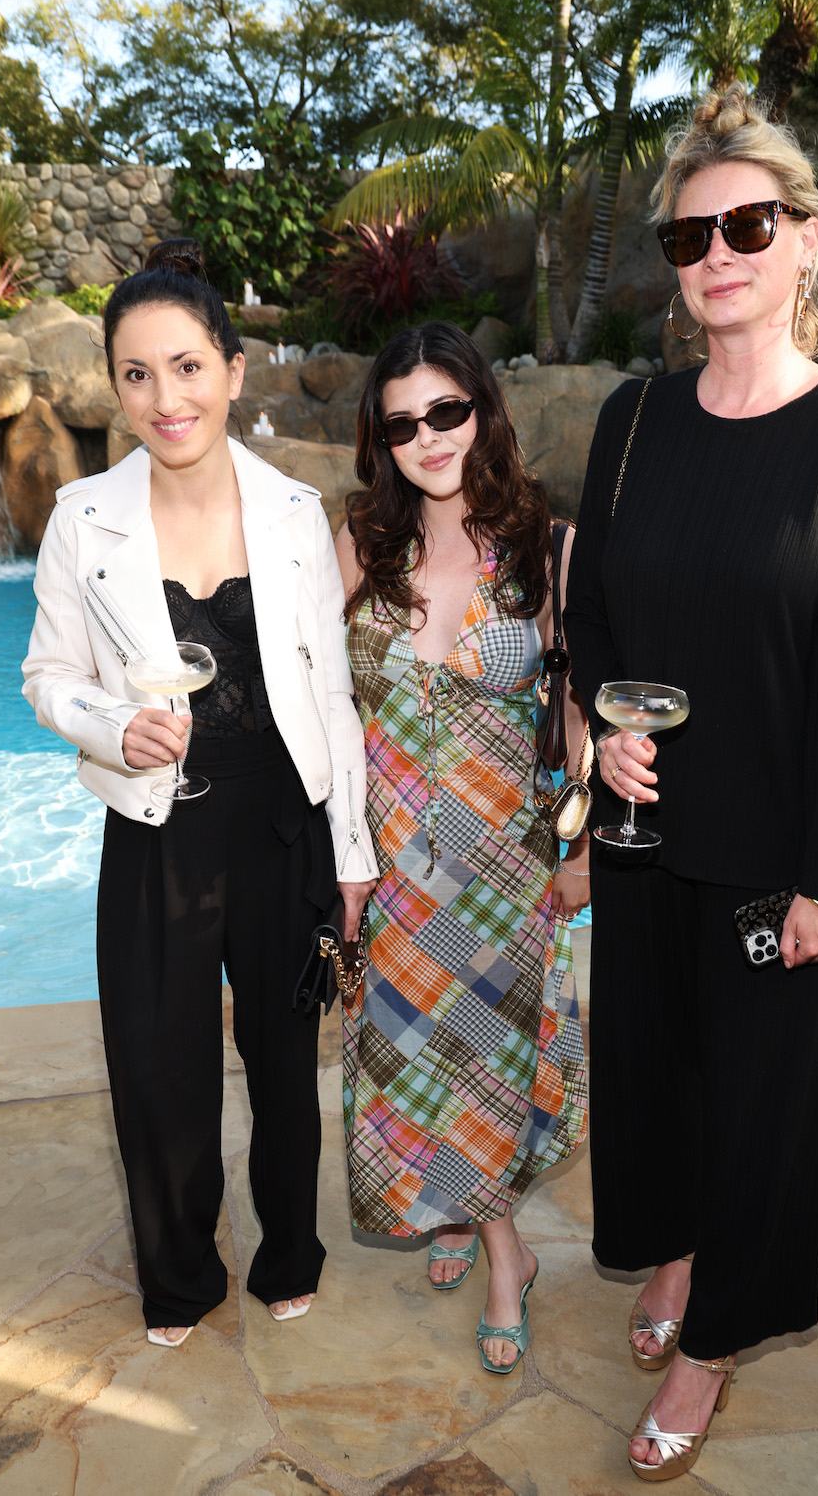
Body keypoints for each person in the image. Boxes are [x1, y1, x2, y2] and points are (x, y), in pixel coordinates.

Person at [565, 86, 818, 1481]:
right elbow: (592, 615)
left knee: (765, 1106)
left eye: (746, 224)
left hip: (778, 848)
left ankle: (713, 1344)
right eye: (687, 235)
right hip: (650, 834)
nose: (716, 253)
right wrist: (600, 720)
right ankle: (676, 1255)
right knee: (652, 1084)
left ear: (803, 235)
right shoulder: (633, 419)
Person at [22, 238, 377, 1346]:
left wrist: (352, 856)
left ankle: (289, 1252)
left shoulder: (292, 512)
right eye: (136, 374)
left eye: (185, 366)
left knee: (283, 1066)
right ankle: (178, 1276)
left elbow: (332, 695)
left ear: (230, 368)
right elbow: (46, 678)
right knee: (157, 1067)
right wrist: (110, 727)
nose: (163, 397)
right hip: (155, 828)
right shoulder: (83, 519)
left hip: (282, 827)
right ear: (117, 388)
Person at [336, 321, 590, 1373]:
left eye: (446, 410)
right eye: (402, 422)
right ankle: (459, 1212)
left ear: (482, 409)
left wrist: (585, 853)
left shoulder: (548, 547)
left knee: (485, 1064)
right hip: (397, 863)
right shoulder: (363, 545)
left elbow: (577, 715)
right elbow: (314, 703)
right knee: (412, 1061)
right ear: (380, 439)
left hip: (500, 864)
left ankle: (502, 1257)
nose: (428, 436)